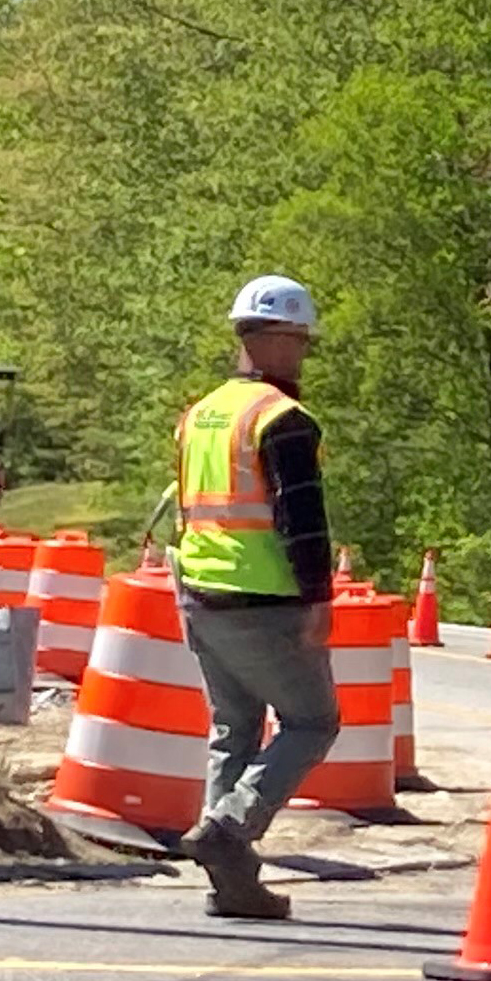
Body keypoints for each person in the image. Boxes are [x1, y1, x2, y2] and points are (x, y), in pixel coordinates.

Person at [173, 276, 341, 920]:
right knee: (312, 722)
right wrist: (318, 598)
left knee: (234, 728)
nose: (302, 355)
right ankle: (230, 826)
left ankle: (232, 884)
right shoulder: (283, 419)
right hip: (264, 596)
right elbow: (303, 518)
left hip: (201, 594)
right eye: (299, 341)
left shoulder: (201, 414)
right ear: (272, 338)